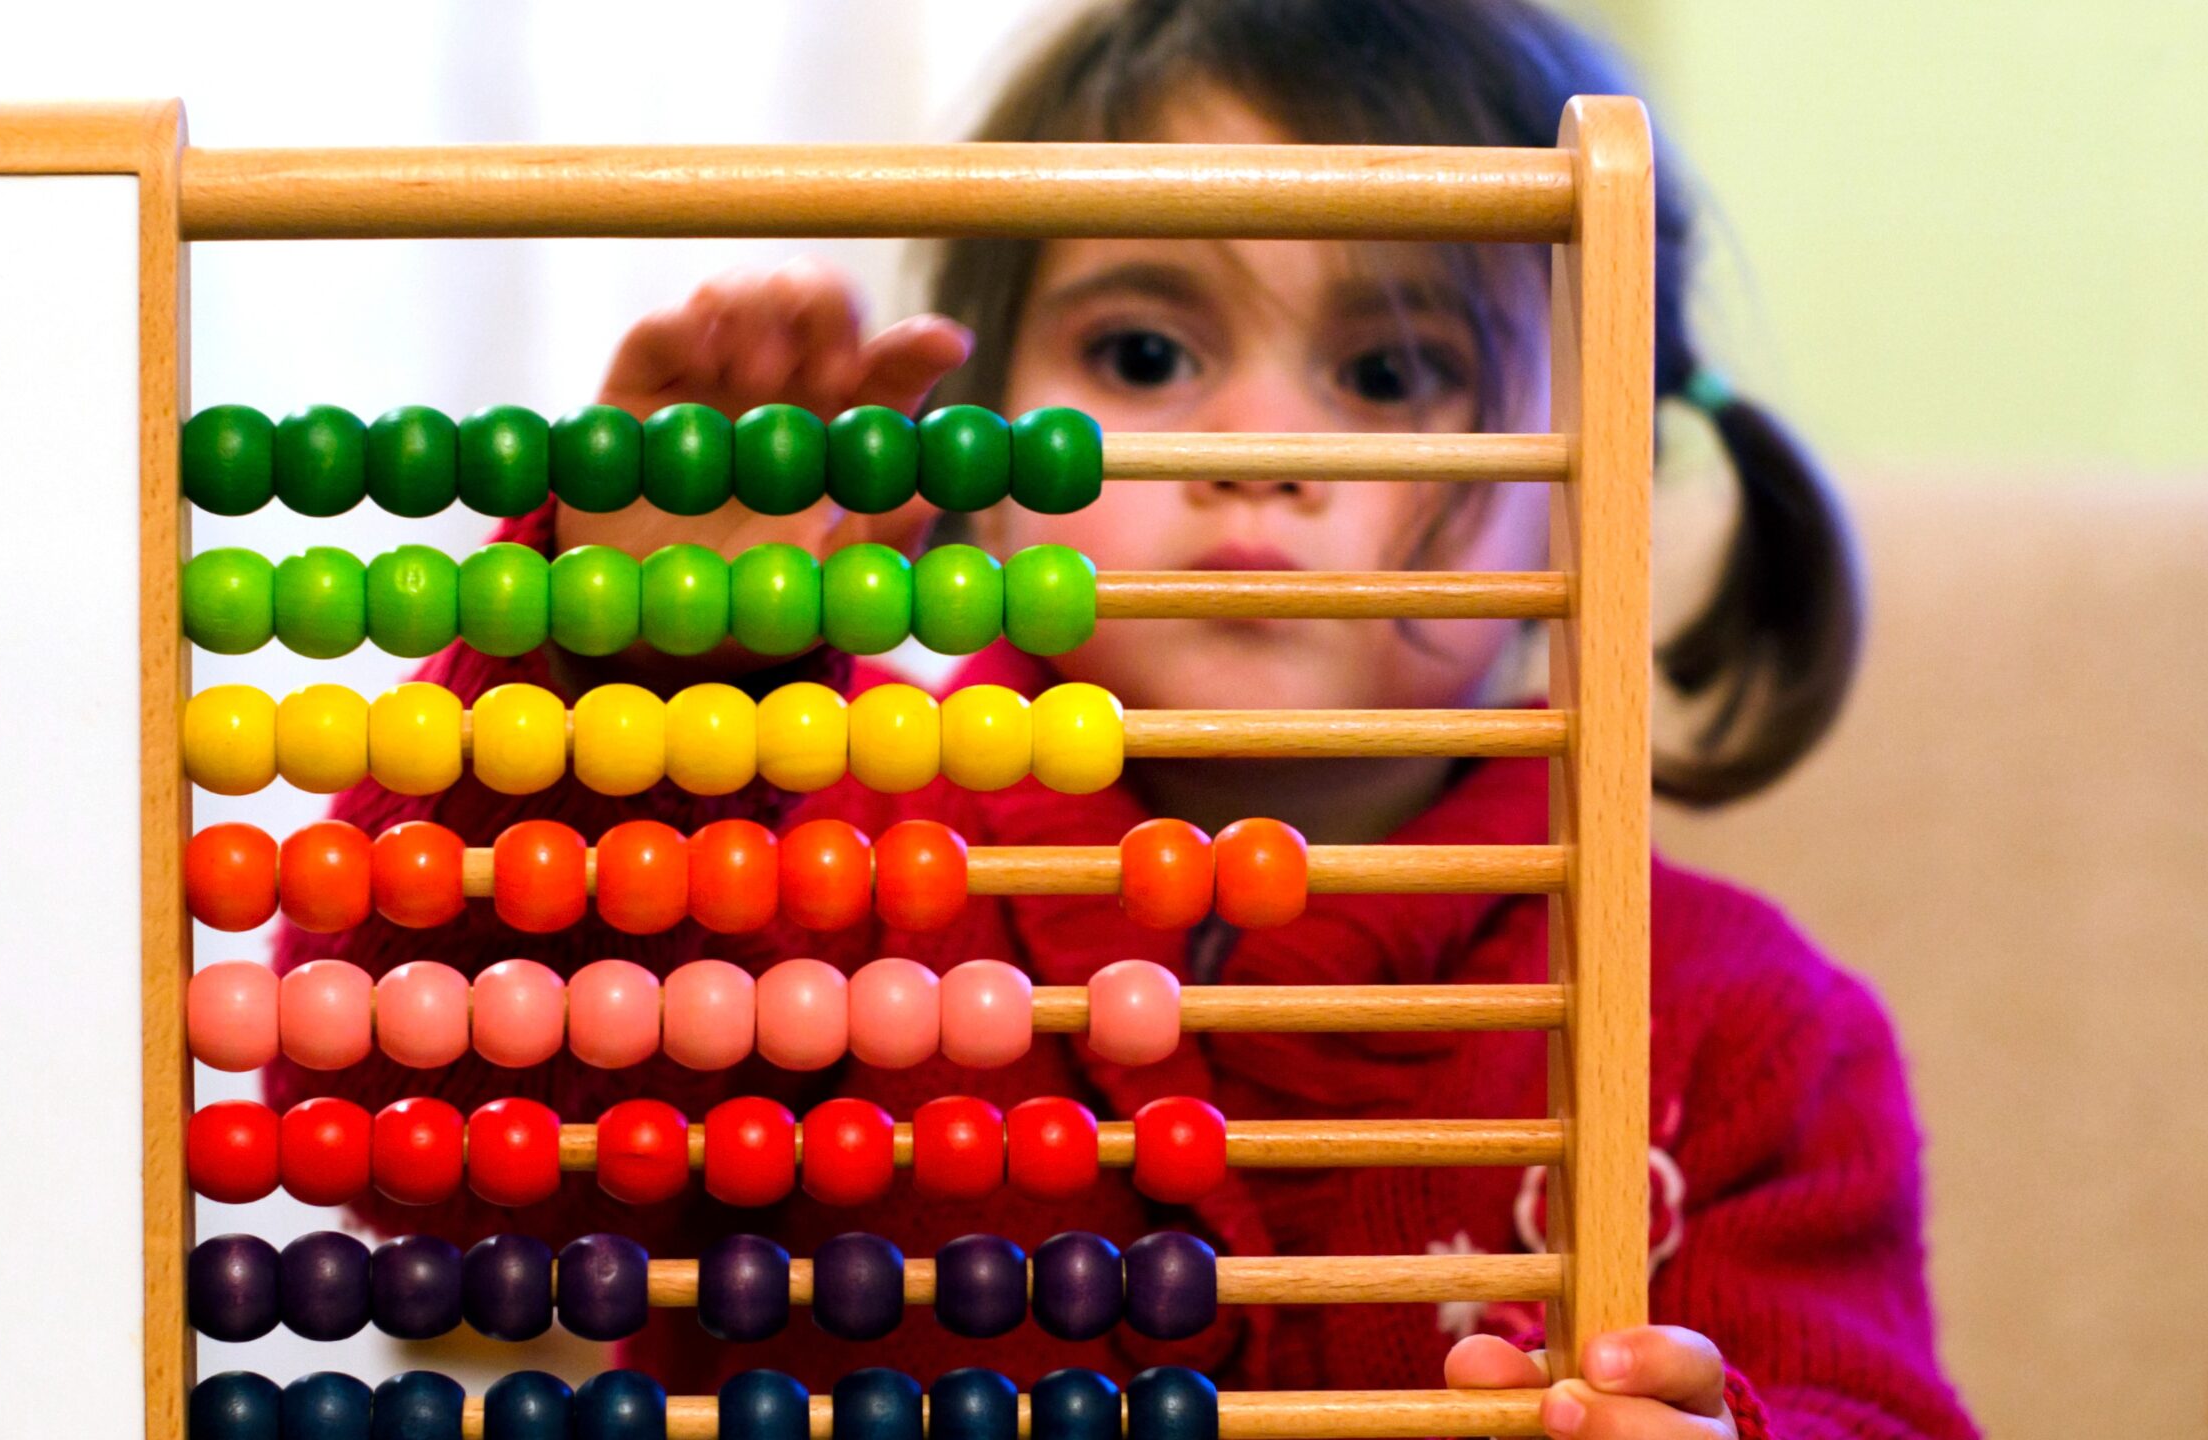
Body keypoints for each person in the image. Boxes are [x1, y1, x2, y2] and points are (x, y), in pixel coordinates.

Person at [268, 2, 1976, 1436]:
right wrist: (633, 681)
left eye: (1389, 374)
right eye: (1147, 355)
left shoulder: (1742, 1042)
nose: (1251, 449)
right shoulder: (810, 853)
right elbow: (424, 1149)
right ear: (968, 440)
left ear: (1591, 478)